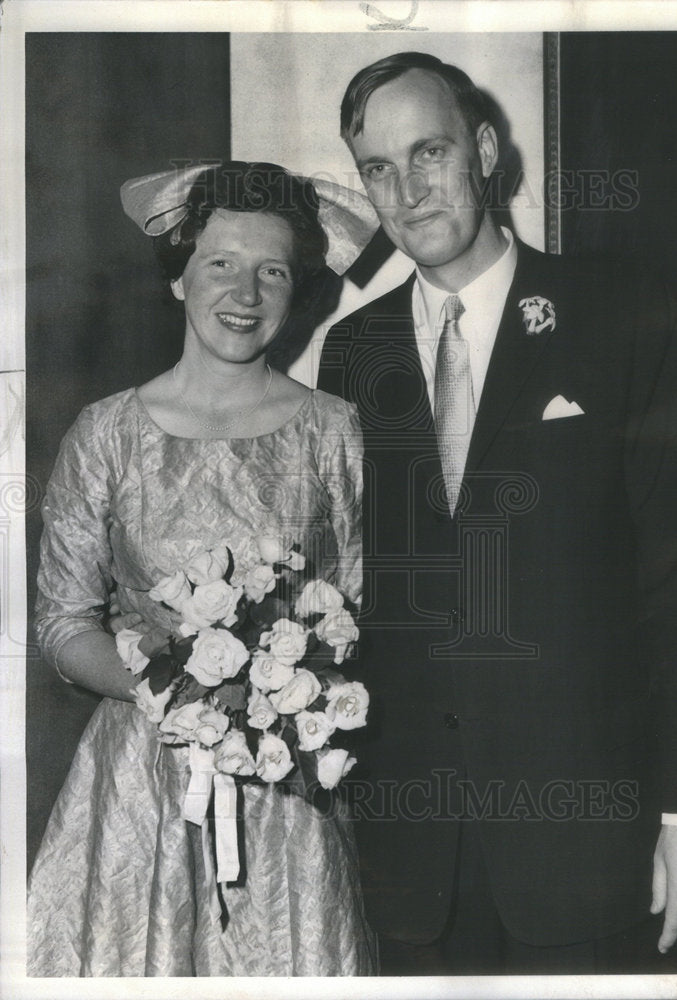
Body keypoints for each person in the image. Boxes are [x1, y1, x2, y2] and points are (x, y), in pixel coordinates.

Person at [317, 52, 677, 974]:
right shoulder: (351, 353)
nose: (408, 190)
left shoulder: (625, 315)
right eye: (378, 169)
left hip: (595, 841)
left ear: (482, 150)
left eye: (427, 152)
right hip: (412, 855)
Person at [27, 161, 377, 976]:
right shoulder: (106, 433)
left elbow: (360, 606)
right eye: (221, 263)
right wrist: (177, 687)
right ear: (180, 277)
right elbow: (61, 623)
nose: (245, 292)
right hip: (135, 780)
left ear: (299, 292)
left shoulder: (335, 433)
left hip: (287, 783)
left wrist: (275, 689)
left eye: (273, 271)